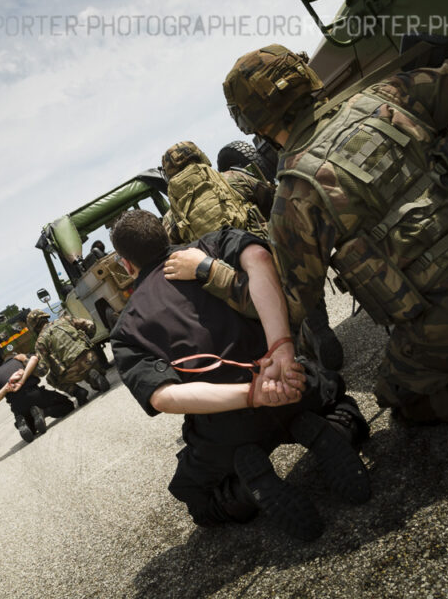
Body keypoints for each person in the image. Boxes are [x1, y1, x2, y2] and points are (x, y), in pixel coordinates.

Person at [222, 44, 448, 424]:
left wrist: (210, 273)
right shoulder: (390, 95)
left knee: (399, 399)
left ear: (257, 126)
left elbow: (290, 303)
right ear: (307, 79)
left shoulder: (296, 195)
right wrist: (444, 141)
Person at [108, 209, 370, 541]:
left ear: (126, 264)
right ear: (164, 233)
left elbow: (163, 396)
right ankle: (331, 428)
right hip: (289, 381)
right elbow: (260, 257)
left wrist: (253, 395)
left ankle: (247, 490)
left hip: (226, 426)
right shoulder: (212, 244)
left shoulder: (126, 328)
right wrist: (280, 347)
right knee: (335, 394)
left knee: (196, 498)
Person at [162, 140, 344, 371]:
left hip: (225, 280)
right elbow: (274, 202)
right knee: (294, 278)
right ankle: (317, 329)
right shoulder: (234, 179)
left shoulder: (171, 218)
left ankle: (285, 358)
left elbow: (176, 256)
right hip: (264, 257)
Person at [27, 309, 111, 405]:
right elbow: (90, 325)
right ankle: (95, 376)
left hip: (74, 372)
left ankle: (78, 392)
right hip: (92, 358)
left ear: (34, 327)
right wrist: (87, 339)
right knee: (90, 371)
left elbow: (43, 370)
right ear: (45, 317)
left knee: (51, 379)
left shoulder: (40, 342)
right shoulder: (65, 320)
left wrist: (29, 368)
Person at [0, 352, 75, 442]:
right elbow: (35, 359)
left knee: (31, 428)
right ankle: (43, 412)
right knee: (68, 405)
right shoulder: (20, 359)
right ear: (14, 355)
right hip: (34, 394)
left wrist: (7, 386)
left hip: (18, 406)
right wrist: (23, 361)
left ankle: (24, 422)